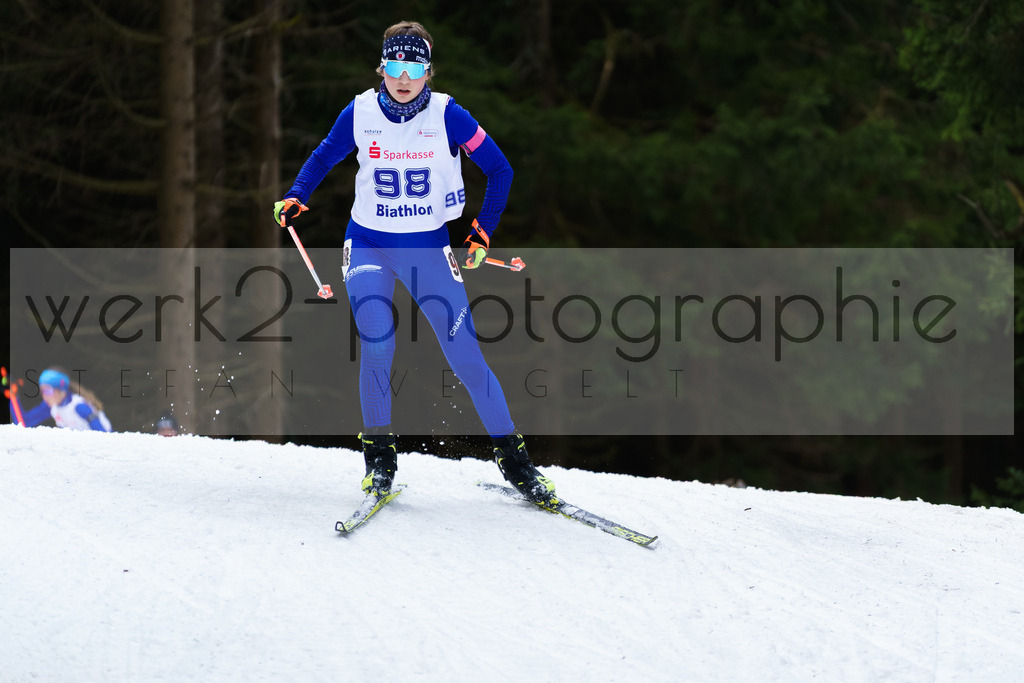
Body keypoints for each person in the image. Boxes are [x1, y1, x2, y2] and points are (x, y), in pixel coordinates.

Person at [274, 21, 554, 502]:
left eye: (416, 67)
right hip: (369, 246)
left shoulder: (449, 116)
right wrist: (298, 194)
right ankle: (380, 462)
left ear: (429, 71)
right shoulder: (361, 111)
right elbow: (323, 156)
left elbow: (499, 169)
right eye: (395, 66)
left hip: (427, 249)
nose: (404, 78)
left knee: (466, 357)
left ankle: (517, 462)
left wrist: (483, 228)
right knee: (378, 344)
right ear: (382, 68)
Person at [16, 368, 113, 432]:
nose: (44, 396)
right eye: (42, 392)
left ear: (61, 390)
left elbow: (103, 434)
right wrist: (14, 398)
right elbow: (24, 423)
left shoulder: (78, 406)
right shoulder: (52, 406)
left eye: (48, 391)